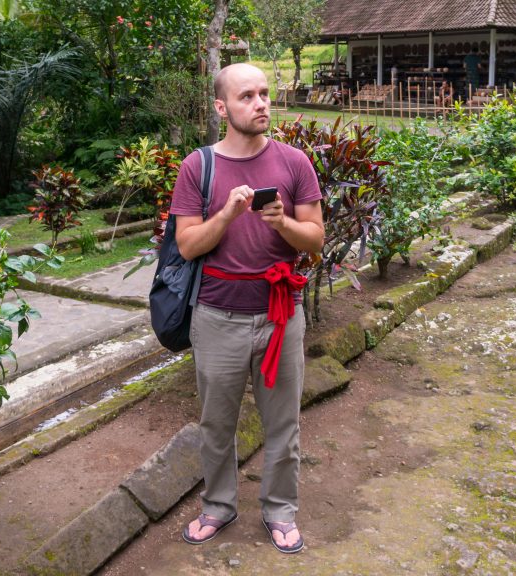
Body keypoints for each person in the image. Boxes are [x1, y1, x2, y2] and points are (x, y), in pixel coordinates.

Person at [170, 63, 324, 554]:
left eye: (264, 94)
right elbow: (189, 245)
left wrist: (281, 224)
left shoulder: (294, 162)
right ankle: (218, 505)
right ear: (222, 108)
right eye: (247, 97)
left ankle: (280, 510)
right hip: (216, 316)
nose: (261, 104)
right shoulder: (198, 167)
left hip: (281, 314)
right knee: (216, 423)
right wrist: (228, 214)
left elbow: (316, 240)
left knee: (283, 423)